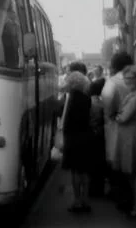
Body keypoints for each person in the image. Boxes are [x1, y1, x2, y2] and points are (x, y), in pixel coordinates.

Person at [101, 52, 136, 217]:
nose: (128, 82)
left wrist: (117, 116)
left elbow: (122, 117)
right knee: (130, 172)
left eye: (131, 79)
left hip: (132, 136)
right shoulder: (134, 93)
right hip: (129, 136)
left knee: (134, 172)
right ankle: (135, 204)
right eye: (127, 79)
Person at [59, 61, 96, 213]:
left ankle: (77, 201)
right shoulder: (87, 98)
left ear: (71, 82)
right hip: (86, 136)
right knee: (85, 171)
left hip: (73, 138)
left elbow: (63, 118)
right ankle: (86, 200)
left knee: (75, 172)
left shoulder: (69, 99)